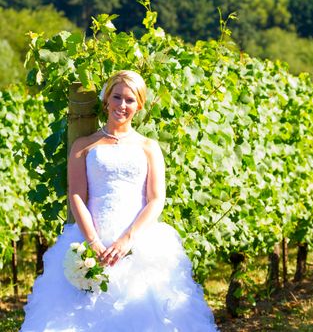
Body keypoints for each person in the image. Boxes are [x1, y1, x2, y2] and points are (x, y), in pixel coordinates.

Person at [21, 70, 218, 331]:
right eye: (117, 97)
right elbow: (77, 194)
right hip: (92, 236)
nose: (121, 106)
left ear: (139, 105)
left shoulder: (149, 147)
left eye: (129, 100)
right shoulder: (83, 145)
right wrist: (92, 242)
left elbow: (156, 198)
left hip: (137, 237)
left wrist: (128, 239)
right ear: (106, 99)